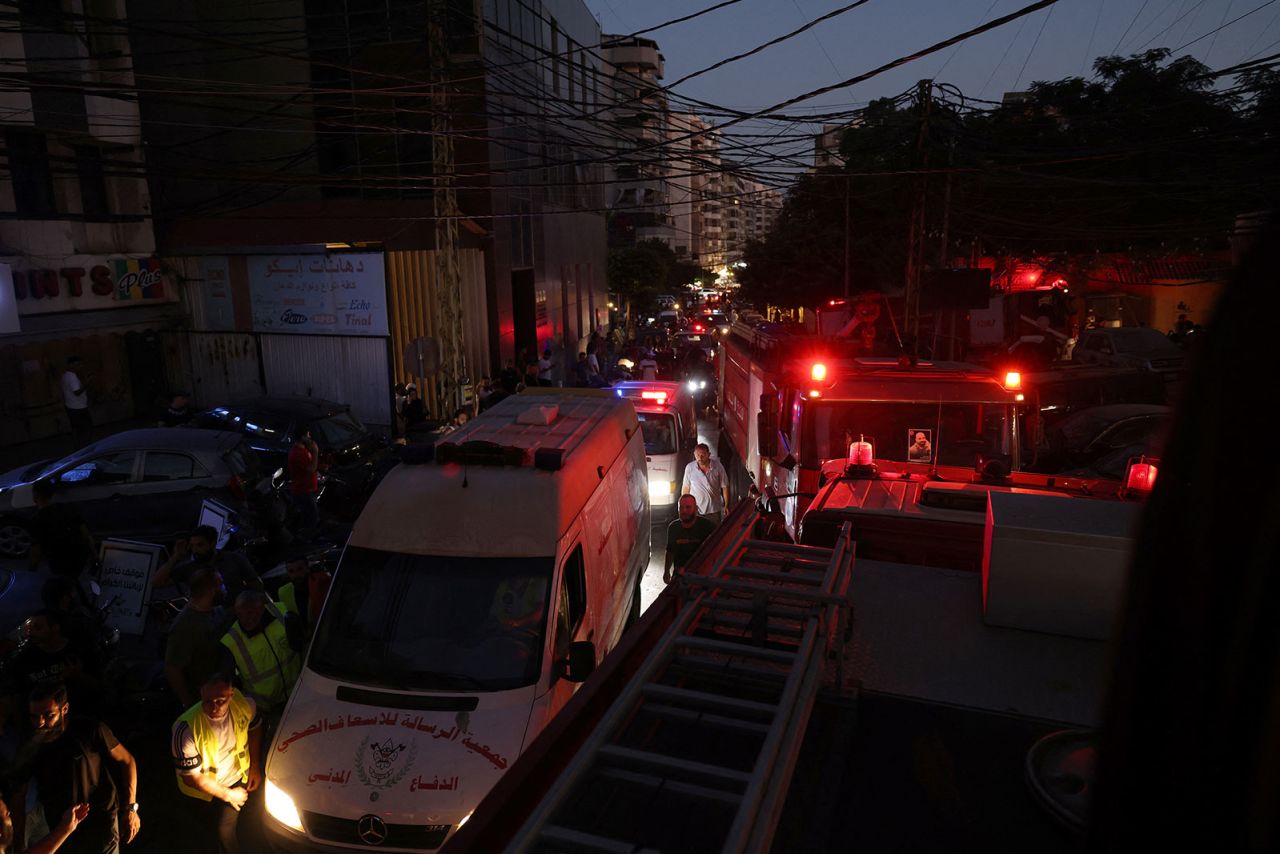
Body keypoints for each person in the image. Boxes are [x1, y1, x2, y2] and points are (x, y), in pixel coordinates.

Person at [9, 682, 140, 854]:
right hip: (61, 832)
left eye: (48, 715)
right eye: (34, 716)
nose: (40, 723)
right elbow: (18, 795)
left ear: (64, 709)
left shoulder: (90, 730)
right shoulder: (30, 747)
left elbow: (127, 760)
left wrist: (130, 808)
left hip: (101, 823)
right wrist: (19, 843)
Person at [171, 674, 263, 854]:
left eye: (220, 701)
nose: (213, 707)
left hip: (235, 780)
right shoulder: (186, 729)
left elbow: (255, 726)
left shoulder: (244, 705)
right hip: (199, 794)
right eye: (207, 701)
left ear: (231, 694)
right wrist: (228, 795)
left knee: (224, 833)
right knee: (206, 832)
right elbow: (191, 777)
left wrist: (255, 767)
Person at [219, 591, 300, 716]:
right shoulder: (232, 641)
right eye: (240, 615)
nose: (245, 620)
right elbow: (229, 683)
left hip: (299, 692)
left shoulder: (281, 611)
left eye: (250, 613)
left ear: (262, 608)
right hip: (266, 710)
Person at [164, 570, 232, 708]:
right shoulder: (184, 626)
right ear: (212, 590)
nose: (225, 588)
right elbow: (172, 669)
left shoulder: (216, 610)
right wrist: (190, 705)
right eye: (221, 585)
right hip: (205, 700)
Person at [8, 610, 101, 707]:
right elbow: (19, 697)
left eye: (38, 627)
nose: (32, 632)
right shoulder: (23, 661)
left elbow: (100, 686)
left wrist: (79, 676)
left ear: (55, 628)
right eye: (30, 628)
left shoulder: (80, 649)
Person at [153, 526, 262, 602]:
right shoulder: (190, 568)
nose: (195, 550)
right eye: (192, 546)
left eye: (200, 545)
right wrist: (175, 557)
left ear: (213, 544)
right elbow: (157, 583)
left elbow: (255, 585)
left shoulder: (233, 559)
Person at [27, 480, 94, 581]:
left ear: (35, 497)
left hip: (59, 563)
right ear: (52, 494)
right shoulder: (68, 509)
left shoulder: (36, 520)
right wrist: (94, 555)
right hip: (79, 556)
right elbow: (86, 534)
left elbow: (36, 552)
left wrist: (31, 571)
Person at [663, 495, 717, 584]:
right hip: (680, 574)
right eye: (681, 507)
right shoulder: (673, 527)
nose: (684, 511)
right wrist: (666, 572)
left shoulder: (708, 526)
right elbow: (670, 551)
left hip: (701, 574)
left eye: (688, 507)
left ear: (696, 509)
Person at [277, 552, 332, 635]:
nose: (296, 575)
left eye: (300, 569)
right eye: (291, 571)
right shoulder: (284, 592)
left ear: (307, 568)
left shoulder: (321, 583)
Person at [681, 443, 730, 524]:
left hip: (713, 510)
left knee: (714, 533)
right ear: (694, 454)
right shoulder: (690, 468)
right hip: (696, 510)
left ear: (709, 454)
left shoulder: (717, 466)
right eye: (697, 455)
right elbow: (686, 488)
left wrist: (726, 505)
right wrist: (685, 507)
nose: (700, 458)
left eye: (703, 455)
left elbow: (725, 486)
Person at [287, 429, 320, 533]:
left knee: (311, 514)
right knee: (312, 518)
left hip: (308, 488)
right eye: (308, 435)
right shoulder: (296, 453)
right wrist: (315, 452)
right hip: (303, 490)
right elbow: (310, 469)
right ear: (302, 437)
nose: (309, 437)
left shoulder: (304, 449)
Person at [61, 356, 91, 450]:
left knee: (76, 429)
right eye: (77, 364)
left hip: (70, 406)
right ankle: (85, 449)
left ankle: (77, 448)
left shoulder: (65, 375)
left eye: (81, 364)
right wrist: (87, 383)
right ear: (71, 365)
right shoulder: (73, 377)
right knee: (86, 428)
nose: (80, 366)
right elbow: (77, 392)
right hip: (78, 407)